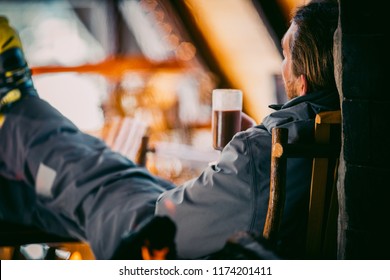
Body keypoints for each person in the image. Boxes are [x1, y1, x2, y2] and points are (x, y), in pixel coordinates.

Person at [0, 0, 340, 260]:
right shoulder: (323, 138)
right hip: (180, 214)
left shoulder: (263, 150)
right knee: (96, 179)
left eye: (284, 55)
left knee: (85, 170)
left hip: (148, 235)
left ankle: (16, 105)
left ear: (302, 80)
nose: (281, 67)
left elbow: (176, 229)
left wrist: (245, 149)